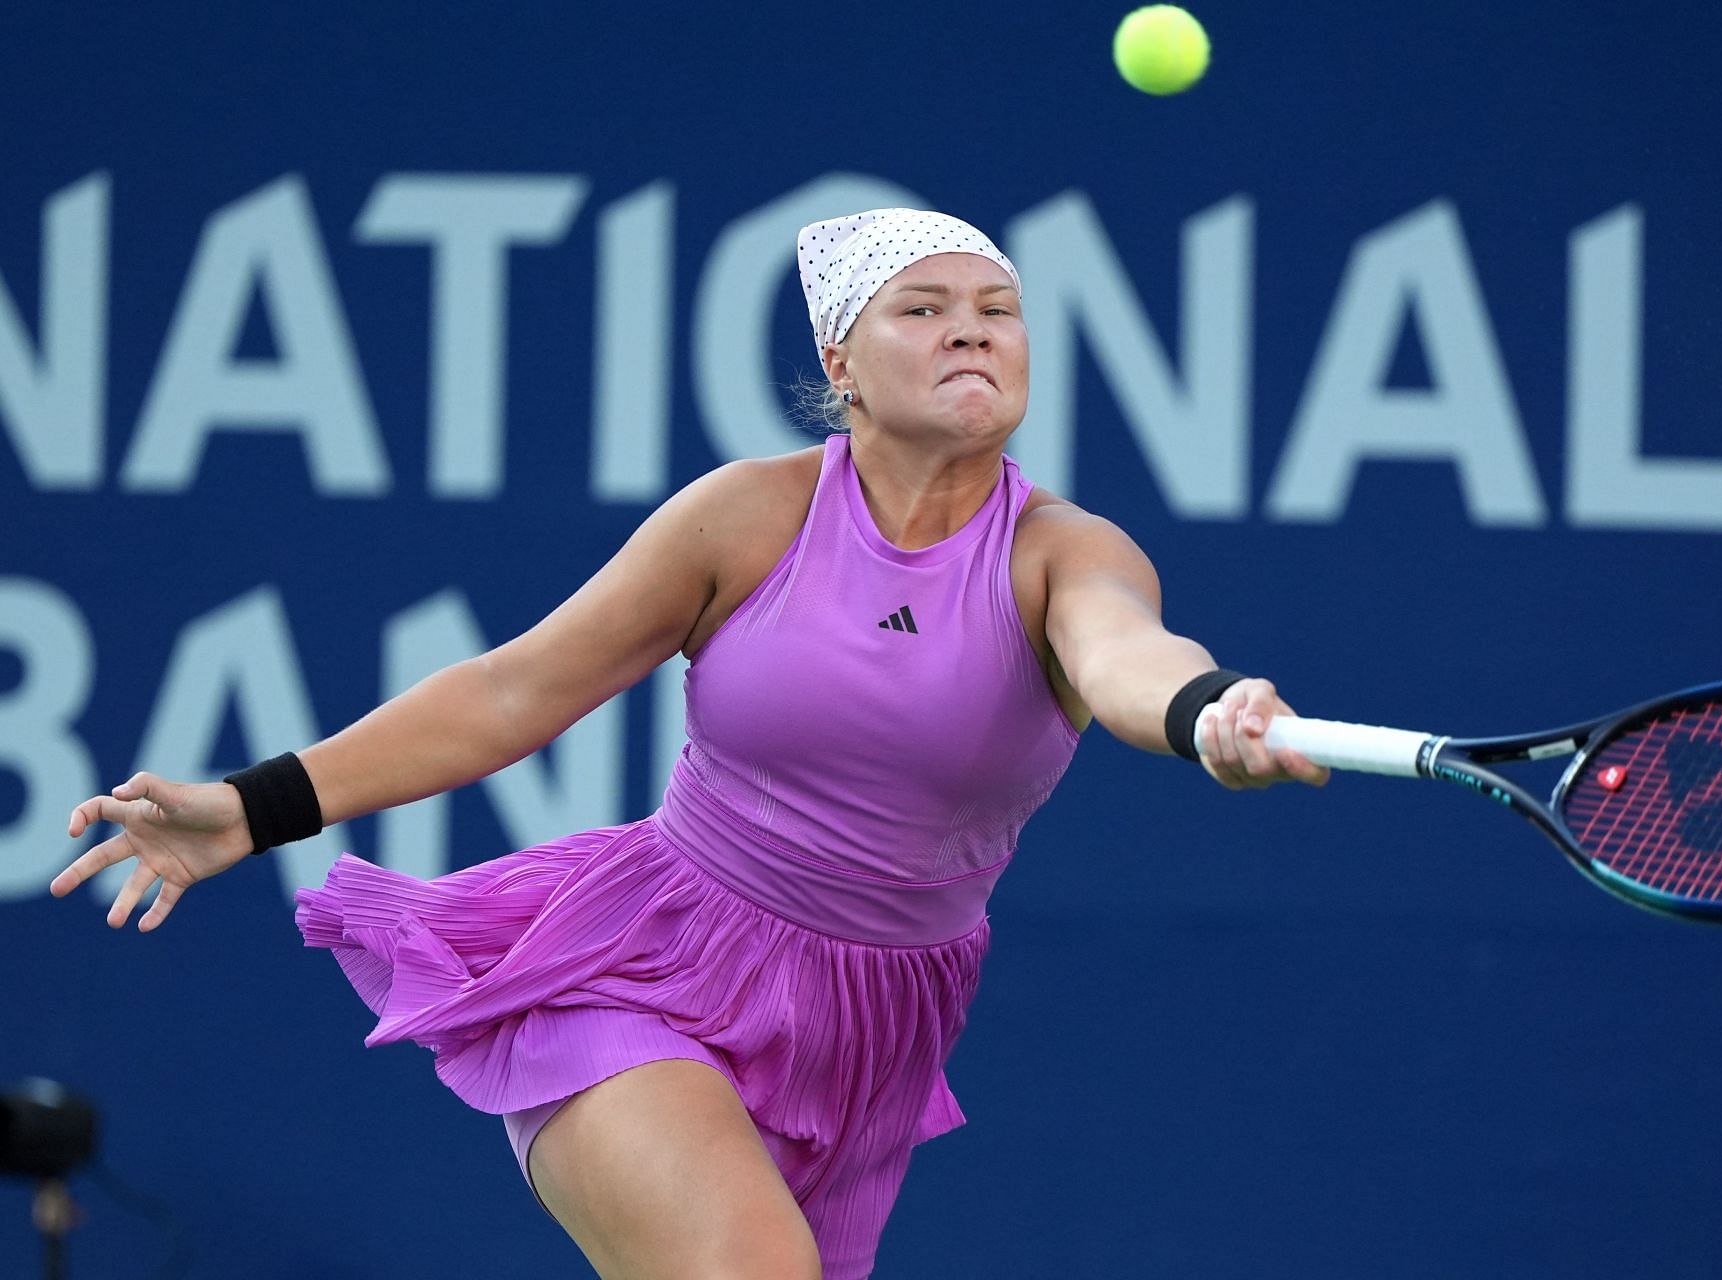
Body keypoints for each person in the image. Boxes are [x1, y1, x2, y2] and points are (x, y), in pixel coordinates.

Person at [51, 208, 1328, 1280]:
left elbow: (1124, 658)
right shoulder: (745, 517)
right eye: (924, 308)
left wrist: (1205, 706)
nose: (971, 330)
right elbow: (514, 694)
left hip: (876, 1023)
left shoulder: (1068, 551)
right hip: (645, 962)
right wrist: (253, 804)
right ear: (842, 357)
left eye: (997, 310)